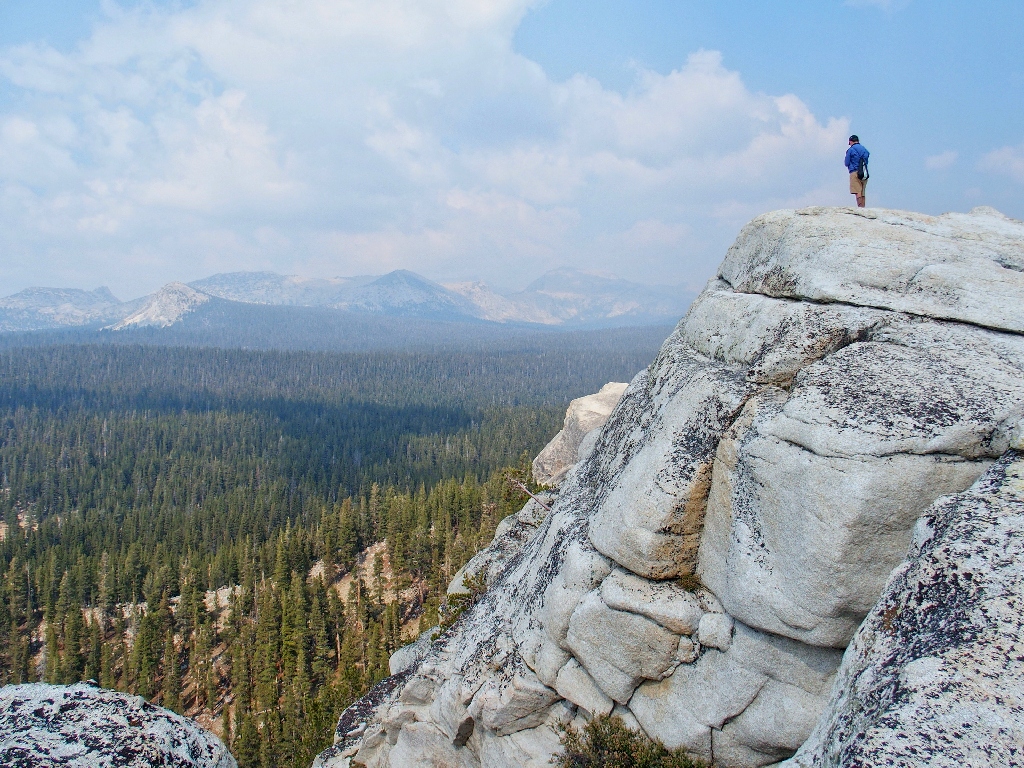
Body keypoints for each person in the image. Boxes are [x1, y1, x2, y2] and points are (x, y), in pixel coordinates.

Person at [845, 135, 869, 208]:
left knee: (857, 191)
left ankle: (860, 208)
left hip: (854, 172)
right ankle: (863, 207)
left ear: (850, 141)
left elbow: (846, 163)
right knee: (862, 192)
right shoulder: (864, 149)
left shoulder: (850, 150)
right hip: (864, 172)